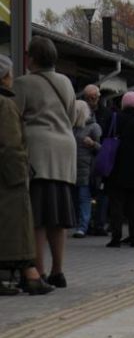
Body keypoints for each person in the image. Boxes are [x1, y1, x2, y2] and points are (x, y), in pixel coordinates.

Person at [12, 36, 77, 288]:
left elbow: (12, 118)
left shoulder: (23, 84)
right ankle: (58, 271)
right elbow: (72, 117)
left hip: (37, 152)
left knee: (37, 217)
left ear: (32, 57)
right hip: (64, 152)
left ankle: (37, 272)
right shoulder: (66, 83)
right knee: (58, 216)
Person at [0, 54, 55, 296]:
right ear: (5, 77)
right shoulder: (5, 104)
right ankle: (30, 276)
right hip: (7, 178)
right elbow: (10, 145)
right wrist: (21, 175)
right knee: (16, 225)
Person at [105, 92, 134, 248]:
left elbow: (105, 137)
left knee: (116, 203)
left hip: (115, 166)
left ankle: (116, 236)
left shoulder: (114, 118)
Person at [83, 84, 111, 237]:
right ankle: (86, 224)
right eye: (89, 98)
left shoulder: (106, 113)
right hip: (84, 159)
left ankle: (100, 224)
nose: (92, 101)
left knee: (101, 192)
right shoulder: (80, 111)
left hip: (101, 156)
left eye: (94, 98)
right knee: (85, 192)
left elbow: (108, 135)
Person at [72, 99, 101, 238]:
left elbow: (102, 149)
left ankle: (83, 226)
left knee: (84, 198)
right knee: (75, 199)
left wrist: (93, 144)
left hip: (86, 169)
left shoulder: (94, 127)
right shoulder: (71, 127)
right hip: (72, 168)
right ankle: (80, 224)